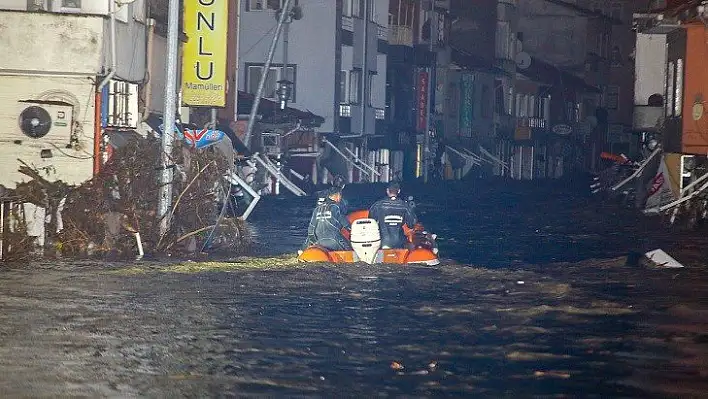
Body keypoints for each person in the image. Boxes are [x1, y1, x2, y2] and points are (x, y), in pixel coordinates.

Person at [368, 182, 417, 249]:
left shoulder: (377, 205)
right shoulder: (405, 206)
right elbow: (411, 224)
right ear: (399, 191)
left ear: (387, 190)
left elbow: (371, 222)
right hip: (399, 242)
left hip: (382, 241)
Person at [304, 186, 352, 251]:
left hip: (319, 241)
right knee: (352, 251)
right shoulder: (337, 207)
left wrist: (315, 243)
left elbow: (310, 231)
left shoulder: (317, 209)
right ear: (338, 195)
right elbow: (346, 225)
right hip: (333, 240)